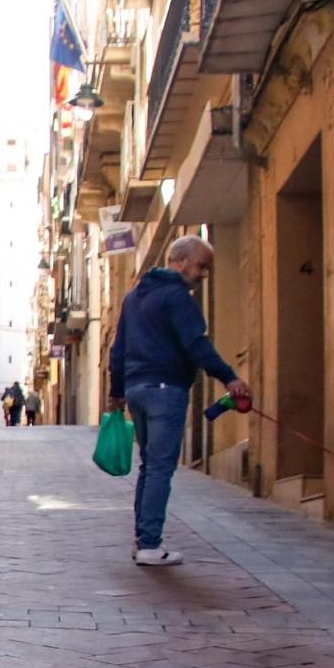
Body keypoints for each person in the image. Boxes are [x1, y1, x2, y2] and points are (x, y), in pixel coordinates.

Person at [106, 235, 250, 567]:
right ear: (181, 261)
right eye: (201, 266)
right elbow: (196, 344)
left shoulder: (133, 298)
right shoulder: (176, 297)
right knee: (159, 467)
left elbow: (118, 349)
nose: (204, 275)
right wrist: (229, 377)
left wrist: (117, 392)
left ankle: (143, 538)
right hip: (165, 390)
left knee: (148, 466)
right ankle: (150, 544)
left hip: (137, 392)